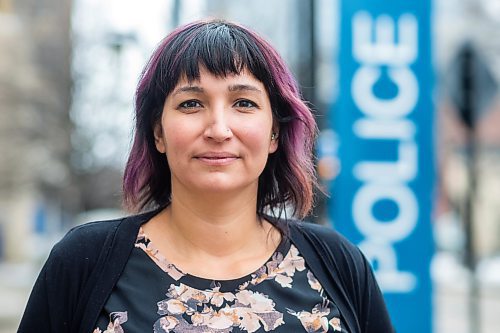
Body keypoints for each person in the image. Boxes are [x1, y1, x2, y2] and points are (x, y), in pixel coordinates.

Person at [19, 19, 394, 333]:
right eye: (191, 103)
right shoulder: (84, 262)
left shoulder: (338, 263)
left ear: (275, 133)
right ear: (158, 133)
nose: (218, 128)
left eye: (243, 103)